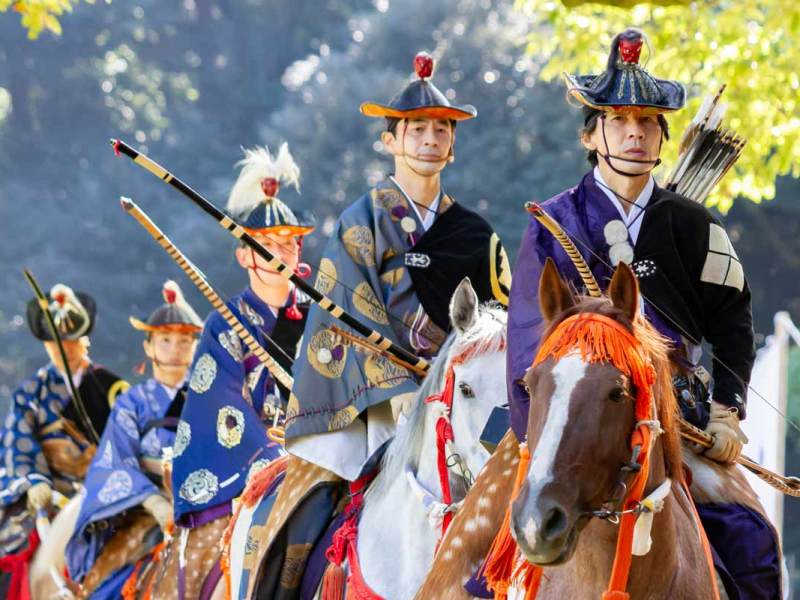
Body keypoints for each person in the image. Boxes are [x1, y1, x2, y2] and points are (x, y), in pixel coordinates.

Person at [506, 28, 779, 599]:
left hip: (676, 419)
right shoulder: (551, 224)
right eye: (619, 119)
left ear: (662, 135)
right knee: (480, 547)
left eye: (650, 121)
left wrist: (728, 414)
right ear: (591, 132)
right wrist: (534, 437)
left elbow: (733, 320)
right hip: (563, 421)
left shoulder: (696, 223)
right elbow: (528, 341)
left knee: (752, 540)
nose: (635, 132)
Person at [286, 50, 512, 481]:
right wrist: (398, 390)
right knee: (319, 502)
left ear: (452, 146)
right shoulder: (361, 221)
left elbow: (501, 322)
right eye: (418, 128)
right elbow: (349, 313)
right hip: (385, 406)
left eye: (442, 129)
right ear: (390, 141)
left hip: (464, 397)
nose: (431, 139)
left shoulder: (477, 234)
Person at [161, 144, 313, 599]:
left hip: (320, 455)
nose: (280, 253)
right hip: (252, 466)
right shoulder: (222, 324)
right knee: (218, 561)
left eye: (289, 242)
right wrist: (272, 456)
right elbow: (221, 405)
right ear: (244, 256)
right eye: (267, 245)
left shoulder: (319, 316)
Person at [65, 280, 202, 599]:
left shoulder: (208, 396)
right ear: (148, 347)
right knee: (108, 587)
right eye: (165, 340)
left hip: (210, 503)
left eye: (185, 340)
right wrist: (155, 503)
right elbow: (115, 460)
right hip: (150, 511)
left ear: (196, 347)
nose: (175, 348)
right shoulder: (132, 402)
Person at [0, 284, 128, 595]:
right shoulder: (32, 392)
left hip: (103, 491)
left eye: (71, 339)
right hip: (48, 491)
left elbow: (126, 443)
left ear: (84, 339)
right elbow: (18, 440)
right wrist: (34, 482)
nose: (63, 347)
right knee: (11, 546)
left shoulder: (111, 387)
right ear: (45, 345)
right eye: (55, 342)